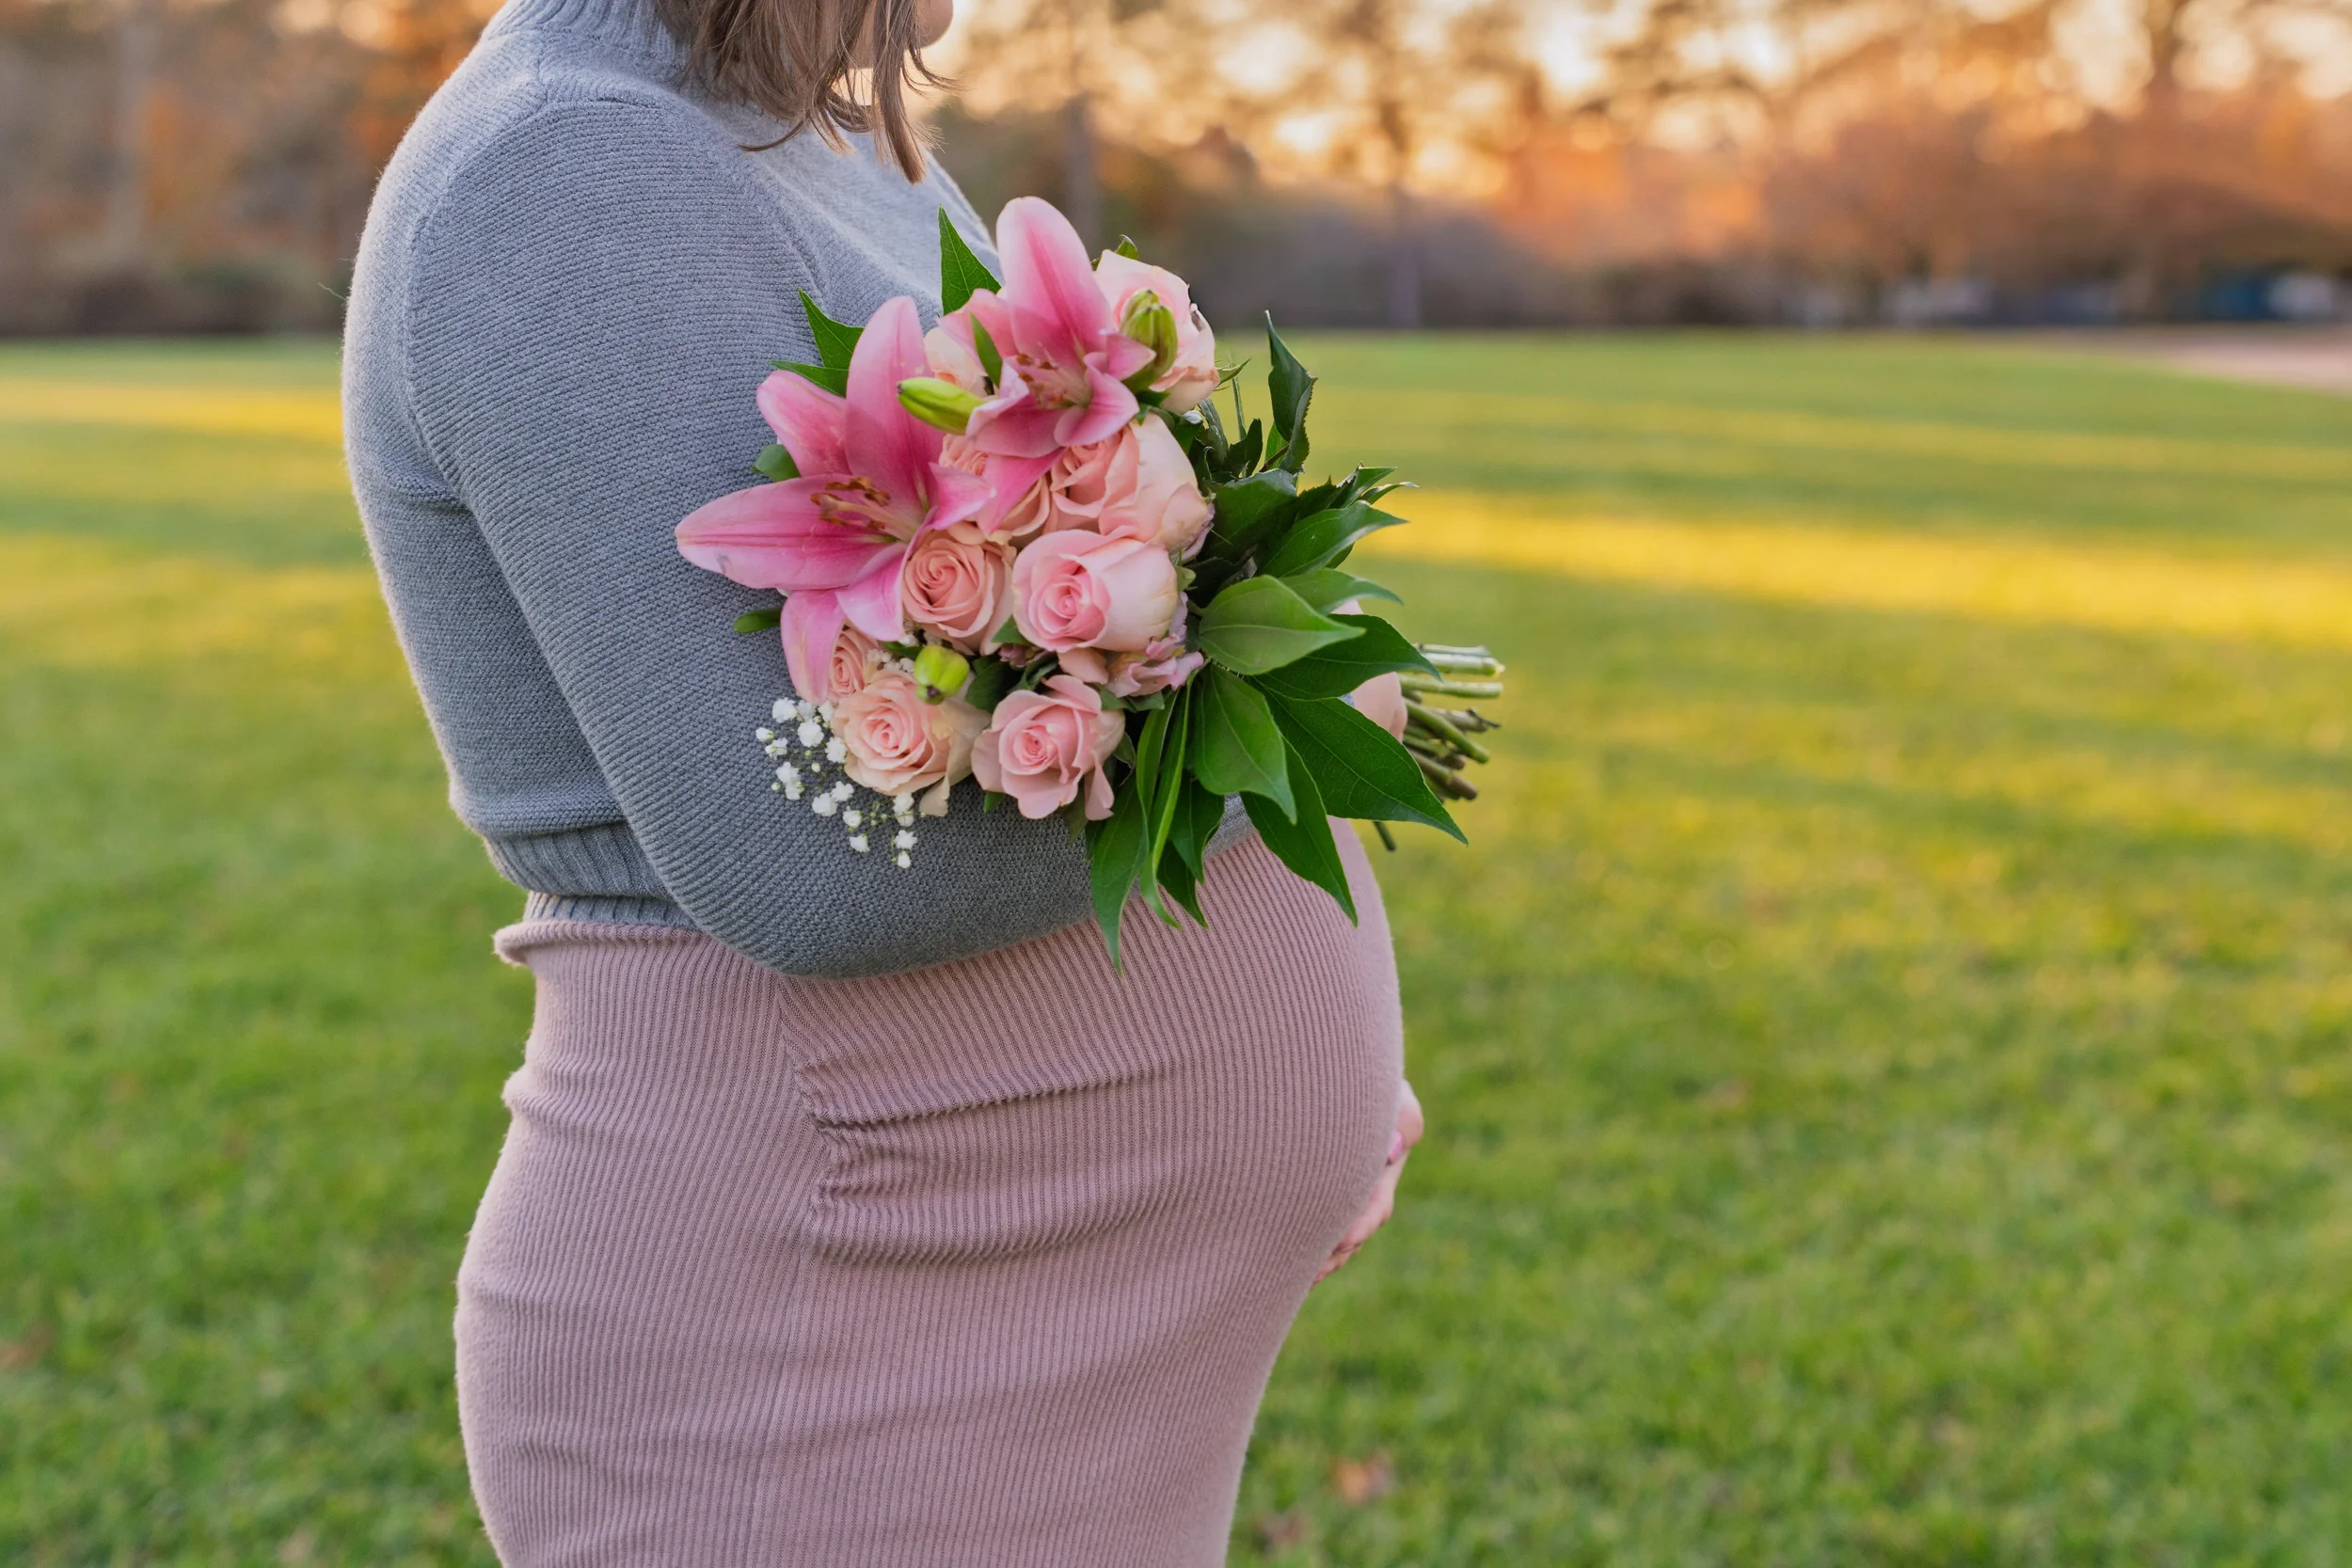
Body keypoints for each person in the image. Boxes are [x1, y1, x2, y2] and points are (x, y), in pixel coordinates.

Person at [342, 0, 1421, 1557]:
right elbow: (808, 860)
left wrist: (1299, 1069)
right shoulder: (567, 168)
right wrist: (1325, 712)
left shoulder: (828, 132)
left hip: (1030, 1283)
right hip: (833, 1339)